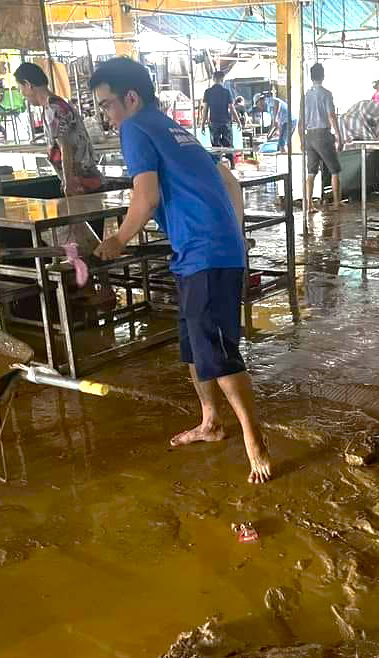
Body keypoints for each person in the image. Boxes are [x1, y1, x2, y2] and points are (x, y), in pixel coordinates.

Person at [89, 57, 272, 484]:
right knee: (193, 345)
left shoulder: (136, 128)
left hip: (205, 254)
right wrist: (236, 233)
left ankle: (254, 439)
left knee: (216, 351)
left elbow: (146, 196)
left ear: (130, 97)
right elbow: (226, 177)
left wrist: (118, 240)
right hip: (206, 251)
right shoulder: (170, 127)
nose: (106, 115)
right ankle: (210, 421)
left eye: (107, 104)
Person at [14, 62, 102, 196]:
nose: (22, 94)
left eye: (20, 88)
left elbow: (65, 147)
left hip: (81, 181)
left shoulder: (54, 108)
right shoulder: (54, 105)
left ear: (28, 84)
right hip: (82, 178)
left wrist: (69, 182)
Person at [300, 63, 344, 211]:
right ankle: (337, 202)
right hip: (322, 135)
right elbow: (332, 116)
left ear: (311, 76)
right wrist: (339, 136)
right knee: (334, 170)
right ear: (323, 76)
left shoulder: (306, 95)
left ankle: (309, 205)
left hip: (309, 135)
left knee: (311, 172)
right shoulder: (326, 94)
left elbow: (301, 121)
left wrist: (301, 140)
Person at [201, 71, 240, 166]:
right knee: (228, 145)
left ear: (213, 79)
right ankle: (232, 166)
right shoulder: (226, 92)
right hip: (226, 122)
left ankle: (218, 167)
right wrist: (238, 121)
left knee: (215, 146)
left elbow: (205, 109)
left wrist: (202, 124)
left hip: (213, 122)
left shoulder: (208, 92)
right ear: (222, 79)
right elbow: (232, 108)